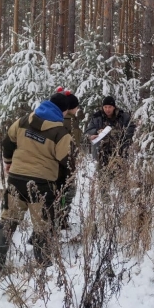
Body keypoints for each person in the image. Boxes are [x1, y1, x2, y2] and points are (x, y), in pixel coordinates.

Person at [0, 92, 72, 272]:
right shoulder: (61, 132)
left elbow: (7, 141)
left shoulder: (23, 121)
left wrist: (8, 162)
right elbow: (64, 162)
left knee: (8, 220)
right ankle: (43, 265)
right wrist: (60, 187)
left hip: (16, 179)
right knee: (43, 225)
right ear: (63, 110)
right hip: (41, 185)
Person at [84, 96, 135, 169]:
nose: (107, 109)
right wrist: (95, 132)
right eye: (105, 107)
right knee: (102, 177)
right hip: (101, 154)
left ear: (114, 107)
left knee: (119, 177)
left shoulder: (123, 116)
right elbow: (88, 132)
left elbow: (131, 129)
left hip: (119, 154)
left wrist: (122, 134)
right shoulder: (97, 117)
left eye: (110, 107)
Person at [57, 89, 82, 229]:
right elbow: (71, 145)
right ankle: (61, 219)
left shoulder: (67, 120)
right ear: (73, 108)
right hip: (66, 163)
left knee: (61, 192)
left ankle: (60, 219)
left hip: (62, 163)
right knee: (68, 191)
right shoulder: (69, 122)